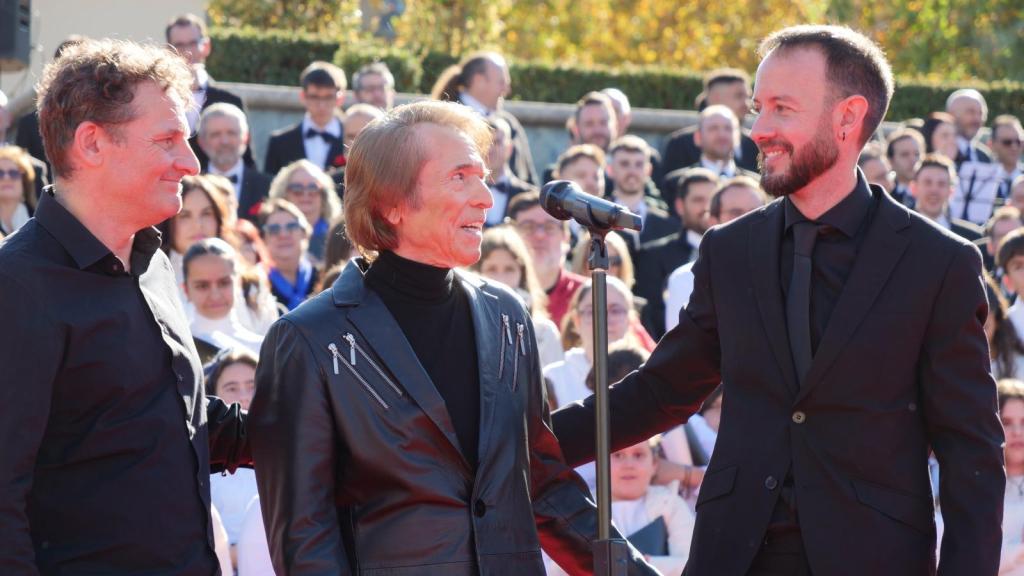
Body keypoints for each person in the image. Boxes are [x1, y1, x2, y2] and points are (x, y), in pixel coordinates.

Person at [552, 24, 1004, 575]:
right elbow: (661, 390)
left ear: (847, 116)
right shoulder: (730, 249)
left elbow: (970, 452)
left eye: (782, 109)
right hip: (732, 554)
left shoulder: (939, 263)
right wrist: (527, 448)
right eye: (757, 109)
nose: (759, 130)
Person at [249, 100, 654, 575]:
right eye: (460, 177)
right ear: (391, 203)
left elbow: (542, 488)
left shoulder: (508, 316)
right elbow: (305, 543)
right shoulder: (310, 339)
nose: (485, 197)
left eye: (483, 177)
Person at [0, 37, 250, 574]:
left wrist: (322, 421)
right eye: (167, 140)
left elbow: (160, 420)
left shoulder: (153, 262)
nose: (190, 161)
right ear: (91, 143)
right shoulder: (16, 288)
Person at [663, 175, 767, 332]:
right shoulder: (685, 279)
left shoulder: (784, 269)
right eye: (736, 212)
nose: (748, 220)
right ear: (713, 221)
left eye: (756, 212)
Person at [635, 168, 719, 337]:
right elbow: (651, 318)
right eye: (698, 200)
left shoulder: (736, 250)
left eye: (712, 199)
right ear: (680, 206)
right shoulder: (652, 256)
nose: (707, 207)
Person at [431, 51, 538, 185]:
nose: (507, 89)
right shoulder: (442, 121)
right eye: (501, 82)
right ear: (479, 81)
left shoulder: (509, 124)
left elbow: (526, 177)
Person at [166, 13, 253, 169]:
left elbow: (246, 160)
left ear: (206, 47)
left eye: (193, 43)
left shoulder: (231, 101)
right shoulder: (160, 100)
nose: (188, 52)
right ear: (169, 51)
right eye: (179, 45)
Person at [470, 224, 564, 367]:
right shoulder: (467, 324)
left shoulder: (543, 333)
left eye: (509, 269)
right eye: (491, 269)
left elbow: (555, 385)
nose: (500, 279)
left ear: (522, 274)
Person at [204, 349, 261, 570]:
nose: (244, 396)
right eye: (231, 388)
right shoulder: (201, 462)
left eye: (252, 385)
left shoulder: (290, 453)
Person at [660, 68, 760, 185]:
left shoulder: (754, 144)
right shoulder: (680, 144)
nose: (746, 104)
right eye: (739, 96)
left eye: (748, 97)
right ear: (715, 98)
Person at [508, 191, 586, 327]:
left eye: (550, 227)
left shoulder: (589, 295)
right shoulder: (498, 294)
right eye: (528, 226)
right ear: (512, 234)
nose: (539, 235)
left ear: (566, 238)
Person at [263, 61, 348, 184]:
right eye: (315, 97)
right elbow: (270, 189)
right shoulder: (280, 142)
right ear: (303, 96)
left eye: (328, 97)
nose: (321, 105)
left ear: (340, 98)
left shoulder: (353, 139)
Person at [183, 238, 265, 358]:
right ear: (186, 290)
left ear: (238, 283)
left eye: (224, 283)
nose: (215, 295)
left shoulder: (263, 348)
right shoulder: (179, 349)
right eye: (202, 286)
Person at [198, 103, 272, 223]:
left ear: (246, 138)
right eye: (216, 134)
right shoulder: (190, 187)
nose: (224, 141)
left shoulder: (269, 186)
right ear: (201, 142)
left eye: (231, 133)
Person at [268, 159, 341, 264]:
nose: (305, 194)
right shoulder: (273, 233)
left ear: (323, 195)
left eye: (313, 188)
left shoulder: (338, 237)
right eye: (297, 189)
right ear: (284, 194)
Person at [258, 198, 319, 311]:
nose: (283, 234)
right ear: (264, 238)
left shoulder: (323, 278)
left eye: (291, 227)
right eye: (274, 229)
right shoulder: (256, 282)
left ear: (304, 233)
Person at [910, 153, 983, 241]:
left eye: (941, 184)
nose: (934, 190)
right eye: (927, 183)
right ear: (913, 188)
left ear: (951, 191)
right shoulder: (898, 232)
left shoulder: (972, 237)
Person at [484, 115, 534, 226]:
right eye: (485, 143)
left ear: (509, 148)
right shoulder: (464, 193)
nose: (490, 149)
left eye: (496, 142)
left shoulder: (529, 195)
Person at [946, 88, 993, 166]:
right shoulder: (941, 153)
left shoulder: (984, 157)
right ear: (951, 115)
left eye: (981, 113)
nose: (977, 119)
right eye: (970, 112)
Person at [0, 145, 37, 235]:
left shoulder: (41, 220)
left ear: (24, 180)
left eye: (14, 173)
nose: (6, 178)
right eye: (0, 173)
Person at [885, 128, 925, 207]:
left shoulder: (932, 191)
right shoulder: (885, 194)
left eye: (917, 154)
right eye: (904, 154)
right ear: (891, 161)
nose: (913, 160)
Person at [992, 115, 1024, 199]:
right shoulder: (982, 177)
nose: (1014, 147)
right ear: (993, 144)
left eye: (1018, 141)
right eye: (1007, 142)